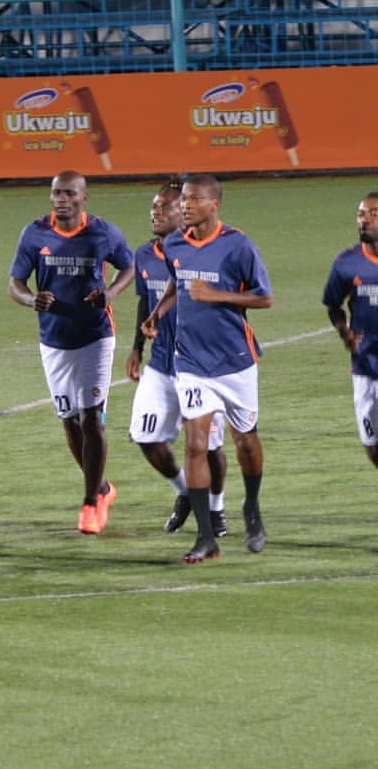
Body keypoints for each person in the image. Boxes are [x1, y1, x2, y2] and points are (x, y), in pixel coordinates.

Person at [142, 173, 273, 563]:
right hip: (191, 362)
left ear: (214, 204)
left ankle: (251, 506)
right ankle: (205, 538)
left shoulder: (237, 245)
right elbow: (176, 282)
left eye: (194, 200)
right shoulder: (176, 243)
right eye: (183, 199)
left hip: (234, 363)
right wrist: (158, 312)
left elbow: (264, 298)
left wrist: (216, 295)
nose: (185, 205)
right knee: (195, 445)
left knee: (245, 441)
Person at [8, 169, 134, 534]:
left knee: (92, 418)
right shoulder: (34, 233)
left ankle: (90, 502)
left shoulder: (103, 232)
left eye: (69, 193)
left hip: (95, 337)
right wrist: (31, 299)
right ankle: (103, 488)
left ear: (84, 197)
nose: (61, 200)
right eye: (56, 193)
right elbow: (15, 282)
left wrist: (110, 294)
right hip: (54, 339)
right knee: (70, 420)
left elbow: (129, 266)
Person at [126, 180, 229, 538]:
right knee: (146, 437)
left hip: (202, 365)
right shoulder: (144, 254)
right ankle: (186, 491)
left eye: (165, 207)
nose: (156, 212)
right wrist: (137, 347)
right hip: (160, 364)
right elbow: (145, 301)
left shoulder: (206, 253)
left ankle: (215, 510)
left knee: (209, 446)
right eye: (154, 206)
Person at [322, 190, 378, 470]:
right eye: (361, 214)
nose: (364, 220)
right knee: (371, 444)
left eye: (373, 214)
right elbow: (333, 305)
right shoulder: (346, 262)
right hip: (364, 365)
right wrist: (344, 332)